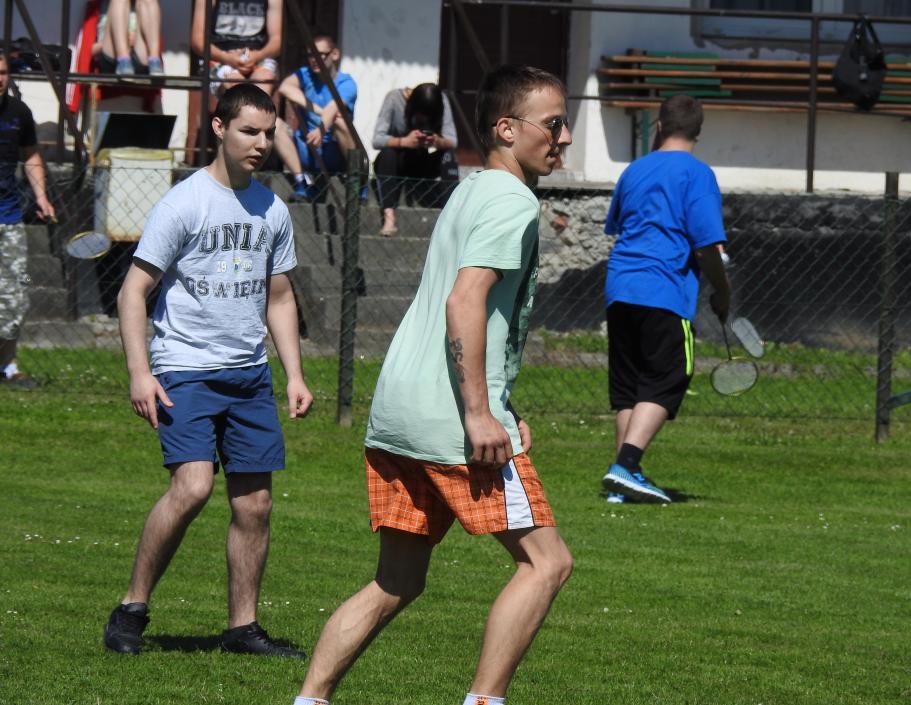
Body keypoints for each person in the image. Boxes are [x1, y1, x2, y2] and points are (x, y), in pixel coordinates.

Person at [291, 65, 574, 705]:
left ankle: (309, 700)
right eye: (554, 124)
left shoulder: (470, 191)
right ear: (507, 129)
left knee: (396, 580)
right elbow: (464, 302)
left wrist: (504, 403)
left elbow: (473, 310)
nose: (563, 137)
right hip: (452, 422)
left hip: (398, 413)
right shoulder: (512, 201)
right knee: (547, 563)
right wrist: (480, 412)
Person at [102, 83, 313, 657]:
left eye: (268, 133)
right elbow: (132, 292)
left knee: (255, 504)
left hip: (249, 376)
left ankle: (242, 629)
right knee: (193, 487)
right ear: (219, 128)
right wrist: (140, 373)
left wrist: (294, 374)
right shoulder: (184, 203)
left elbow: (280, 297)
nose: (260, 144)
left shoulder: (272, 208)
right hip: (186, 370)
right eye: (249, 131)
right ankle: (131, 608)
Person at [601, 94, 731, 504]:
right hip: (664, 291)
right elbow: (707, 245)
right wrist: (723, 292)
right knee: (668, 379)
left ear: (658, 126)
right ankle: (626, 465)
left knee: (629, 388)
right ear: (698, 132)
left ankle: (621, 483)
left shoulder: (634, 170)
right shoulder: (698, 174)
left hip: (620, 288)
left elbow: (618, 224)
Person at [0, 53, 56, 388]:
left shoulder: (19, 112)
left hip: (7, 217)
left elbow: (31, 154)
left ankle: (6, 365)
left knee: (14, 297)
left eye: (3, 72)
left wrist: (41, 197)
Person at [273, 34, 356, 202]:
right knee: (275, 124)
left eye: (320, 55)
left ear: (335, 54)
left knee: (340, 122)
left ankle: (356, 182)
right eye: (310, 55)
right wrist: (318, 110)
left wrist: (320, 130)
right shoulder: (305, 74)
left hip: (333, 152)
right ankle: (301, 182)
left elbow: (333, 108)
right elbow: (285, 87)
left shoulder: (347, 83)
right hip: (307, 147)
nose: (314, 60)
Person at [372, 83, 459, 236]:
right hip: (397, 163)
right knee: (387, 153)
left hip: (423, 162)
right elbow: (377, 139)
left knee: (448, 155)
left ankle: (453, 216)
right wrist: (404, 141)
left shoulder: (442, 100)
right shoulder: (394, 98)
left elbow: (453, 141)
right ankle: (389, 218)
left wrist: (436, 141)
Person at [191, 0, 282, 96]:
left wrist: (257, 56)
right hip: (218, 57)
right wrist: (226, 57)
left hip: (258, 56)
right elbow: (198, 41)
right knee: (236, 88)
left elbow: (277, 41)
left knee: (264, 82)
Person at [96, 0, 164, 76]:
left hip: (140, 56)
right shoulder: (98, 7)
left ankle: (154, 61)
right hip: (112, 56)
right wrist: (123, 41)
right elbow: (89, 51)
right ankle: (123, 60)